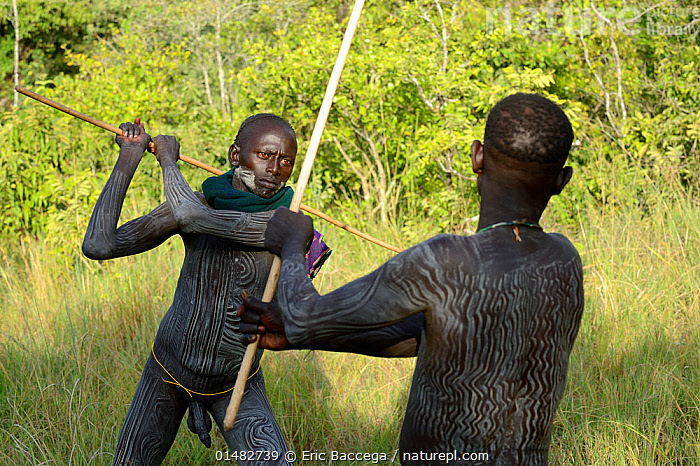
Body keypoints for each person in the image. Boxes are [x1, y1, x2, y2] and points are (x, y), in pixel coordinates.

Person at [238, 93, 585, 465]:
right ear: (562, 180)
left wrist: (292, 244)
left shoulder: (446, 259)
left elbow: (303, 313)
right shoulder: (564, 261)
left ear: (477, 156)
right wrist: (297, 335)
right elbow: (424, 335)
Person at [82, 113, 324, 465]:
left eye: (286, 160)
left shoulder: (285, 223)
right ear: (235, 155)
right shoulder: (202, 200)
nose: (275, 169)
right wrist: (129, 157)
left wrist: (167, 160)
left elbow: (190, 217)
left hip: (234, 382)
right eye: (265, 155)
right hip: (168, 371)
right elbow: (99, 244)